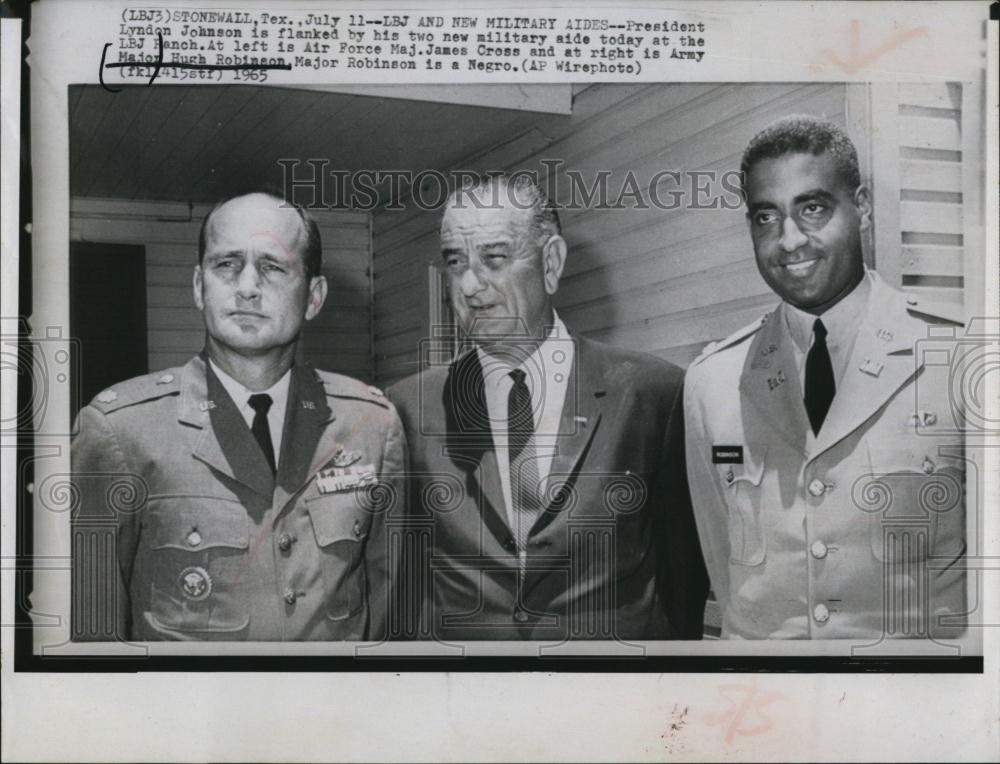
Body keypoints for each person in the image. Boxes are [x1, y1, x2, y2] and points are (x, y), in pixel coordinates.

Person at [71, 191, 407, 641]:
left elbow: (389, 620)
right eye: (227, 264)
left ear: (314, 296)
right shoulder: (120, 431)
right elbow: (90, 638)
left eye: (272, 266)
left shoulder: (370, 424)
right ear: (198, 286)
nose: (247, 285)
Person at [388, 175, 708, 641]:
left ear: (551, 262)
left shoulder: (653, 394)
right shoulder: (409, 409)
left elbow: (685, 580)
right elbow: (400, 586)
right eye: (455, 262)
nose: (470, 285)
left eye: (494, 258)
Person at [684, 115, 967, 639]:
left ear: (860, 207)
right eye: (765, 218)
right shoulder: (712, 382)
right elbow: (723, 569)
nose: (789, 240)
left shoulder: (958, 358)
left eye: (812, 208)